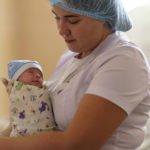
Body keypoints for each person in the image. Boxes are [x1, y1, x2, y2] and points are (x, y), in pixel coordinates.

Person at [0, 0, 150, 149]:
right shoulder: (71, 57)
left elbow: (77, 144)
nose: (61, 30)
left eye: (73, 20)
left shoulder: (124, 60)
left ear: (101, 17)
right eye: (57, 17)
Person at [0, 60, 56, 137]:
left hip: (46, 132)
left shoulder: (44, 89)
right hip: (21, 132)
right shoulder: (16, 88)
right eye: (31, 72)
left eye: (40, 74)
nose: (38, 75)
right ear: (17, 78)